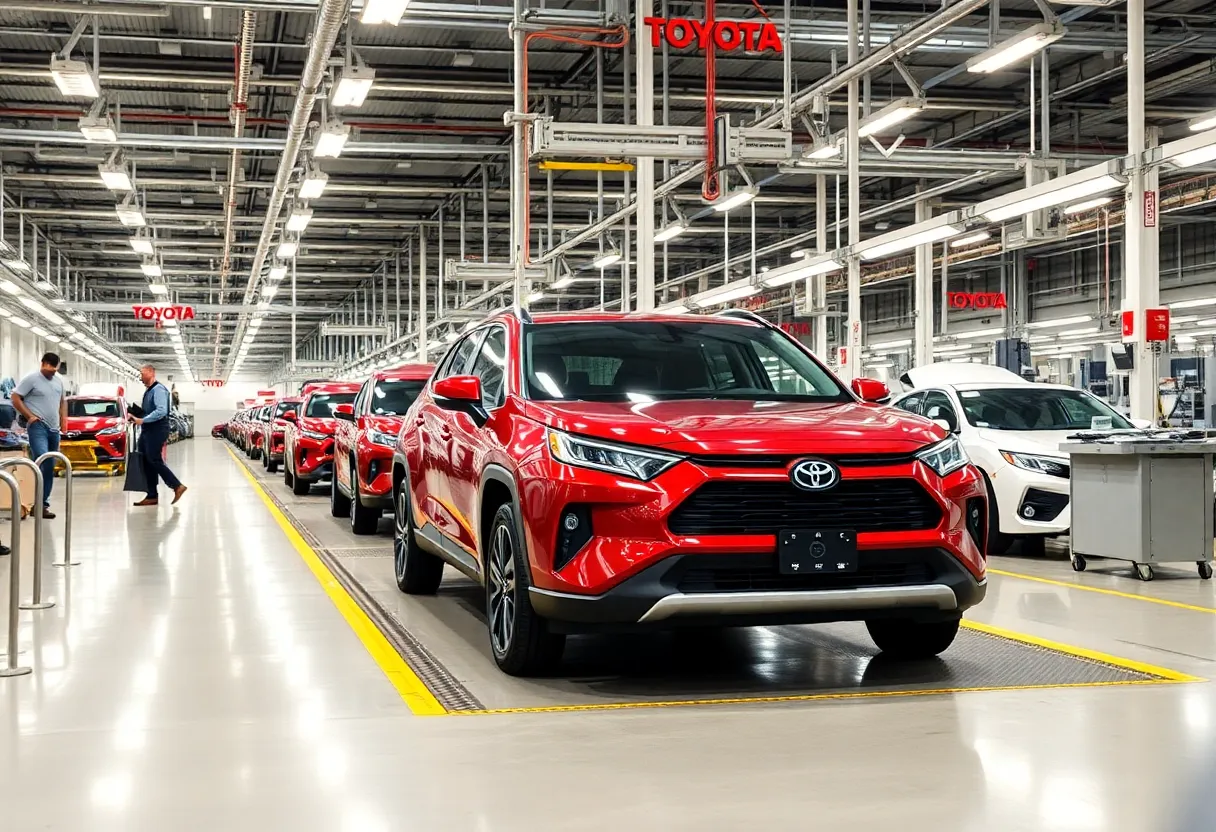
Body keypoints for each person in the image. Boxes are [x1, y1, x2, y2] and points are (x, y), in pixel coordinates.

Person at [11, 353, 66, 520]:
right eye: (48, 369)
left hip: (54, 429)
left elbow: (62, 402)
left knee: (50, 466)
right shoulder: (31, 379)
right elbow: (15, 397)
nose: (51, 372)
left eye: (54, 370)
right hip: (38, 427)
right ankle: (33, 500)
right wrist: (29, 416)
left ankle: (42, 505)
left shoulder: (58, 382)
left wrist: (64, 421)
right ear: (42, 364)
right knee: (42, 460)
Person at [131, 364, 187, 507]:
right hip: (147, 429)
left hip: (157, 429)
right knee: (144, 459)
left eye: (142, 373)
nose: (140, 377)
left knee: (153, 458)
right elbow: (150, 410)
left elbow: (161, 411)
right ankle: (151, 495)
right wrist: (136, 416)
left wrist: (143, 420)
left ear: (151, 372)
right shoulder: (149, 390)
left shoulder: (159, 390)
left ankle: (176, 485)